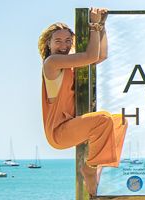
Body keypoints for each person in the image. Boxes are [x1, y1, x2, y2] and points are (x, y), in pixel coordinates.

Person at [38, 8, 125, 195]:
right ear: (48, 43)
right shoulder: (51, 63)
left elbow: (101, 55)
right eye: (58, 41)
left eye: (68, 41)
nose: (64, 45)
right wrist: (94, 24)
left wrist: (101, 25)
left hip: (73, 124)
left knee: (119, 120)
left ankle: (98, 167)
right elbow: (91, 56)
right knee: (103, 119)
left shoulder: (69, 64)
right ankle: (90, 168)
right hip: (59, 132)